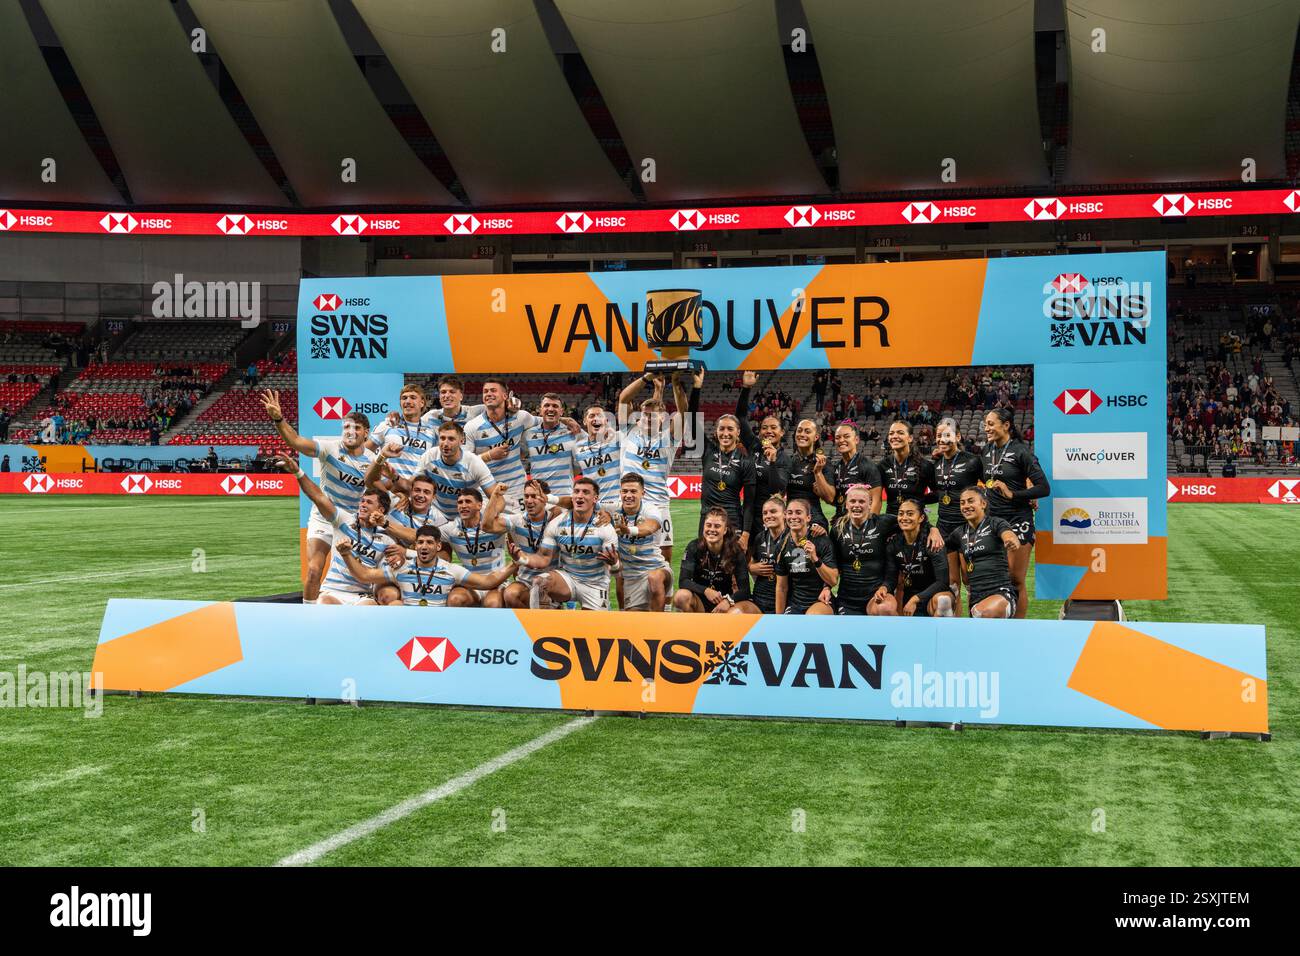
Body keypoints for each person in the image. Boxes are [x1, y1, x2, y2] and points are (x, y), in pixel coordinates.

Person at [261, 388, 376, 603]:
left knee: (355, 581)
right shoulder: (329, 448)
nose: (350, 431)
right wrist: (278, 419)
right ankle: (309, 616)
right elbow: (295, 441)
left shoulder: (373, 461)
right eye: (347, 427)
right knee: (313, 571)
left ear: (366, 433)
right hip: (324, 518)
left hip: (352, 524)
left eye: (357, 428)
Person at [279, 457, 400, 606]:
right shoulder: (344, 520)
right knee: (323, 603)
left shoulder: (387, 539)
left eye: (369, 502)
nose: (362, 505)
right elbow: (318, 497)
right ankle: (308, 618)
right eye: (362, 501)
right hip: (333, 591)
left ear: (381, 510)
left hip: (361, 595)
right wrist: (298, 472)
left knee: (370, 609)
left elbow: (381, 573)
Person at [337, 524, 513, 607]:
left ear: (438, 546)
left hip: (438, 627)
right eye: (420, 542)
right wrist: (346, 554)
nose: (424, 546)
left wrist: (516, 563)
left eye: (429, 542)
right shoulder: (402, 568)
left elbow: (488, 582)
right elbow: (365, 575)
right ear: (415, 546)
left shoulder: (451, 570)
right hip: (407, 626)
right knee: (394, 606)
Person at [980, 406, 1048, 618]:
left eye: (991, 424)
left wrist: (1014, 494)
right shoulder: (987, 450)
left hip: (1018, 520)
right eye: (985, 424)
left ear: (1006, 425)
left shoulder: (1021, 451)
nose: (986, 428)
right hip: (993, 522)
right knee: (995, 578)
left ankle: (1018, 626)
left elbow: (1044, 488)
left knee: (1015, 579)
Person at [511, 476, 620, 610]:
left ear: (595, 499)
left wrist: (614, 563)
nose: (580, 496)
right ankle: (541, 626)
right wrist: (521, 558)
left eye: (585, 492)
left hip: (595, 584)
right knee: (540, 582)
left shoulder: (604, 527)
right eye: (576, 492)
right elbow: (543, 558)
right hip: (568, 578)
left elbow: (617, 570)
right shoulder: (557, 524)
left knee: (591, 630)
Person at [618, 371, 690, 562]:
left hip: (659, 505)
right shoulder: (628, 432)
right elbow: (624, 399)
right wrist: (647, 379)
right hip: (630, 503)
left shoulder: (669, 439)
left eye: (654, 416)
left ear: (663, 420)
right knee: (626, 560)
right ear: (639, 418)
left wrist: (675, 385)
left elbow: (684, 412)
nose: (648, 418)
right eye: (644, 415)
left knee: (663, 560)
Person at [379, 421, 499, 522]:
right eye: (442, 438)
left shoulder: (474, 463)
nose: (445, 443)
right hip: (438, 514)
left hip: (465, 514)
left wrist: (489, 517)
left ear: (461, 441)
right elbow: (411, 485)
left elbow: (497, 498)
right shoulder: (430, 456)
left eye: (451, 439)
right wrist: (395, 477)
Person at [945, 486, 1021, 618]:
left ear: (983, 504)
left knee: (982, 613)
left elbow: (1008, 534)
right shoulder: (958, 533)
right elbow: (943, 549)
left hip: (1001, 593)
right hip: (975, 597)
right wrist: (933, 531)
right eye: (962, 503)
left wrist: (1011, 539)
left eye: (970, 501)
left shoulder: (995, 523)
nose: (966, 506)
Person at [734, 371, 791, 532]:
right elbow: (740, 417)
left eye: (774, 427)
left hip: (770, 516)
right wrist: (746, 388)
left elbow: (777, 489)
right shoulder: (754, 445)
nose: (768, 431)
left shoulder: (784, 459)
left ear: (781, 433)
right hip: (747, 514)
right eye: (764, 427)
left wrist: (772, 462)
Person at [876, 498, 954, 616]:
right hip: (909, 598)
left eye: (910, 514)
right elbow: (891, 578)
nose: (904, 518)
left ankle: (943, 633)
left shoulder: (933, 541)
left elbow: (942, 582)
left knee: (943, 601)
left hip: (933, 595)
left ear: (921, 518)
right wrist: (884, 588)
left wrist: (916, 599)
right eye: (901, 514)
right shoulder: (894, 544)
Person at [696, 398, 756, 548]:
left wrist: (746, 534)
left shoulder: (746, 462)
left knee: (731, 566)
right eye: (721, 429)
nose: (725, 433)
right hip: (707, 519)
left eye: (730, 429)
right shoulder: (707, 451)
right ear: (716, 432)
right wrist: (697, 387)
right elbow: (691, 419)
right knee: (705, 564)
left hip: (732, 520)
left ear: (738, 432)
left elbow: (749, 503)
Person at [612, 472, 672, 611]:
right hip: (632, 578)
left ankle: (659, 627)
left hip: (656, 568)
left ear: (642, 493)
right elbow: (583, 502)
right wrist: (551, 499)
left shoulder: (651, 509)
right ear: (619, 493)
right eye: (624, 491)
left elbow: (651, 527)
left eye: (633, 491)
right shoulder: (612, 510)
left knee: (654, 578)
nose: (628, 495)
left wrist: (628, 530)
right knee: (634, 624)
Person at [501, 478, 564, 609]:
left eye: (534, 496)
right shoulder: (516, 522)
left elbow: (573, 506)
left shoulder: (558, 519)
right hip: (525, 582)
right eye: (526, 496)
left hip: (550, 582)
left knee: (541, 591)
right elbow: (515, 555)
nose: (529, 501)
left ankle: (553, 609)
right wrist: (496, 496)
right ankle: (529, 625)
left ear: (545, 499)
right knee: (510, 595)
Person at [673, 507, 751, 613]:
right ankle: (692, 628)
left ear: (725, 530)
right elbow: (683, 581)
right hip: (700, 601)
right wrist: (705, 590)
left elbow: (745, 590)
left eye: (717, 526)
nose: (712, 530)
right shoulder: (694, 547)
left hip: (724, 603)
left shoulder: (735, 551)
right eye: (708, 525)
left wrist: (728, 601)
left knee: (737, 612)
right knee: (681, 596)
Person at [444, 485, 510, 607]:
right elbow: (421, 536)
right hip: (471, 582)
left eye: (468, 501)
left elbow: (520, 523)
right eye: (460, 502)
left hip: (496, 582)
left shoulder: (496, 523)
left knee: (493, 604)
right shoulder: (451, 529)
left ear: (479, 505)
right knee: (455, 599)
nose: (463, 505)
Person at [774, 498, 837, 615]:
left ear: (808, 518)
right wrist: (779, 619)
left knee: (811, 619)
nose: (793, 517)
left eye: (798, 512)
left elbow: (833, 580)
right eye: (790, 513)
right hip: (795, 603)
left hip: (820, 600)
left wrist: (815, 559)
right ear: (785, 516)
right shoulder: (781, 546)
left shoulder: (821, 540)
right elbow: (781, 588)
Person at [731, 494, 790, 614]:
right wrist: (751, 567)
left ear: (785, 514)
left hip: (787, 600)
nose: (768, 516)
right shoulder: (760, 537)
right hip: (759, 599)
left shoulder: (793, 537)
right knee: (735, 613)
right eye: (765, 513)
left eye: (773, 512)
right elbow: (751, 561)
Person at [367, 384, 437, 483]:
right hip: (389, 490)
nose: (408, 401)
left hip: (416, 491)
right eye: (404, 398)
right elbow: (365, 452)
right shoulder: (388, 424)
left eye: (413, 397)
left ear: (422, 403)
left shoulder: (431, 432)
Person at [817, 422, 883, 518]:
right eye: (837, 437)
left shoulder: (869, 466)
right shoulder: (836, 467)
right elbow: (834, 501)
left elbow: (876, 502)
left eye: (846, 436)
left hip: (859, 522)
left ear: (856, 440)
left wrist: (868, 527)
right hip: (839, 522)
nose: (841, 440)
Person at [523, 393, 580, 497]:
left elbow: (579, 465)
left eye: (555, 406)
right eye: (546, 405)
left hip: (565, 498)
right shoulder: (528, 434)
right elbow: (522, 463)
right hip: (539, 498)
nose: (550, 409)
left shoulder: (572, 432)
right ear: (540, 410)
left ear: (561, 412)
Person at [878, 419, 935, 515]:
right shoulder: (883, 466)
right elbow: (875, 496)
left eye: (900, 433)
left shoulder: (925, 465)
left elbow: (939, 492)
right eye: (891, 433)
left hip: (916, 521)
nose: (895, 436)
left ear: (910, 438)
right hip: (890, 521)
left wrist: (919, 501)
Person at [574, 403, 624, 512]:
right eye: (591, 416)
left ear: (606, 421)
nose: (596, 419)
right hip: (592, 507)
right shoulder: (577, 447)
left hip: (617, 506)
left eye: (600, 416)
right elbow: (573, 471)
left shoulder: (618, 439)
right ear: (584, 421)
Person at [785, 418, 830, 528]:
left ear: (816, 437)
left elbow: (830, 498)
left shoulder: (824, 463)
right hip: (791, 519)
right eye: (799, 431)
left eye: (807, 431)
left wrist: (818, 473)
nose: (802, 434)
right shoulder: (787, 461)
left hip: (815, 521)